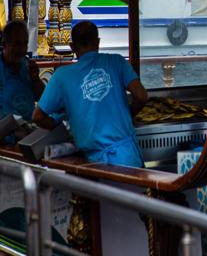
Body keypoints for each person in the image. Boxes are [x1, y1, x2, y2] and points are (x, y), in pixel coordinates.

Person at [33, 21, 148, 167]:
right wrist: (128, 114)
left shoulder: (62, 76)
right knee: (133, 190)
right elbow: (142, 96)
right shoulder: (117, 62)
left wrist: (65, 130)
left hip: (94, 163)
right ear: (98, 42)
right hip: (128, 157)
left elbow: (37, 117)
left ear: (72, 47)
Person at [0, 20, 44, 121]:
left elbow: (43, 99)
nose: (22, 49)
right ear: (5, 44)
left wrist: (36, 80)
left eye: (25, 44)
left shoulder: (27, 67)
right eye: (17, 44)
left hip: (29, 131)